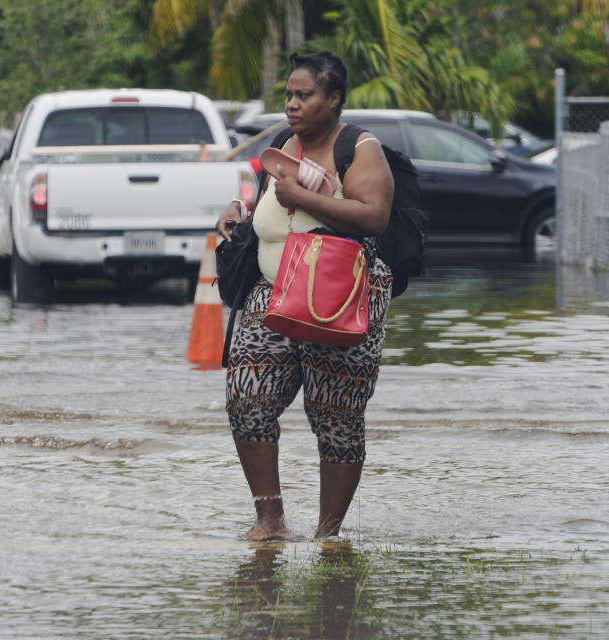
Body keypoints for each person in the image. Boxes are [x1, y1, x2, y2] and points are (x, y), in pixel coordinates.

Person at [216, 51, 394, 540]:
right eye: (289, 95)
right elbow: (271, 211)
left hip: (340, 298)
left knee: (336, 414)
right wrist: (237, 217)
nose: (292, 104)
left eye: (304, 95)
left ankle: (328, 532)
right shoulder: (282, 142)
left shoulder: (359, 148)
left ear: (334, 99)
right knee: (247, 399)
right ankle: (269, 520)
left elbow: (374, 215)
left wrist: (305, 198)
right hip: (270, 293)